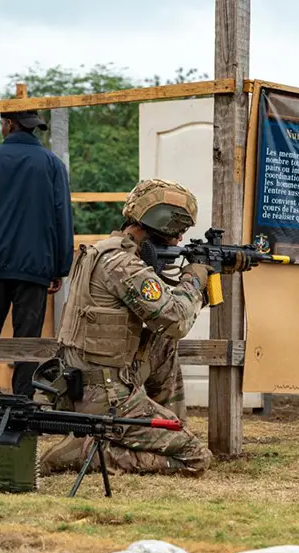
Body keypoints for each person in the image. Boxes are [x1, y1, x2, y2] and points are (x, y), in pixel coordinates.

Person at [39, 178, 216, 477]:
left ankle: (168, 424)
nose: (178, 239)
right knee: (195, 457)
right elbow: (177, 320)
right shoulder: (124, 265)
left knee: (162, 342)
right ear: (160, 223)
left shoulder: (103, 252)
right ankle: (81, 453)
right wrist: (194, 280)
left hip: (86, 385)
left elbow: (160, 323)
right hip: (105, 398)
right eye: (176, 231)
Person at [0, 109, 74, 398]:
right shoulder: (52, 164)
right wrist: (60, 266)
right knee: (27, 340)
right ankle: (22, 401)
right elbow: (63, 217)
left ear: (9, 124)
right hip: (35, 269)